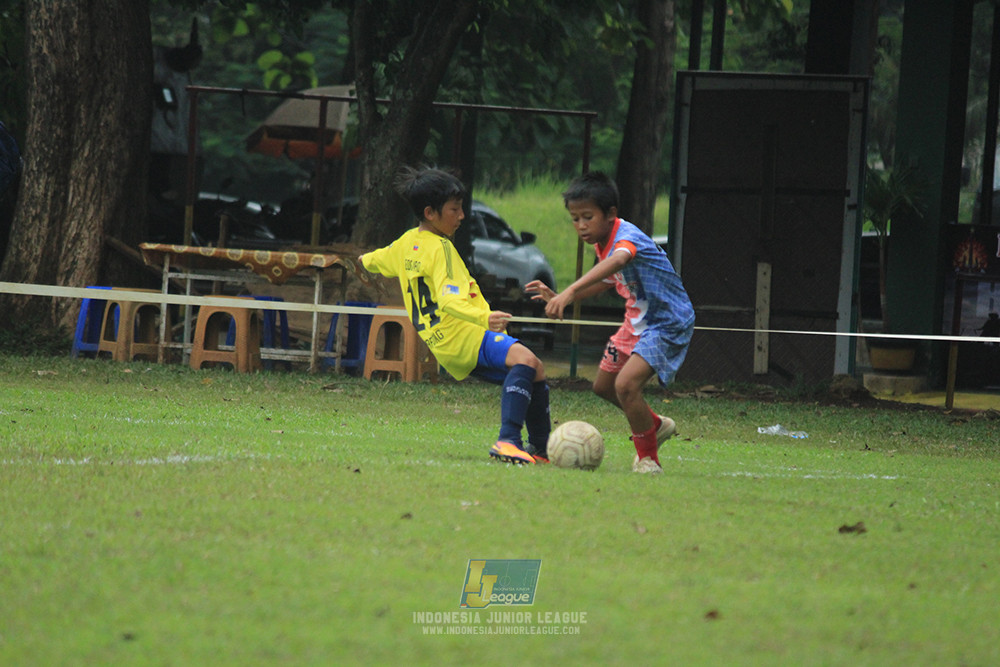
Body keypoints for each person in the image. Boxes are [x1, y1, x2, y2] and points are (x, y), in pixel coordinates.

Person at [359, 166, 551, 464]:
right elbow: (449, 301)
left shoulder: (406, 244)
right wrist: (483, 319)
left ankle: (541, 449)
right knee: (526, 361)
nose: (462, 216)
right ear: (431, 212)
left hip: (443, 344)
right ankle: (508, 441)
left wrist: (360, 261)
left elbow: (375, 260)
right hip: (464, 333)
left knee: (533, 369)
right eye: (455, 209)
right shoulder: (442, 249)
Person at [525, 172, 695, 474]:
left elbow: (618, 262)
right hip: (637, 321)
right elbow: (606, 280)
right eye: (575, 219)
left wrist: (570, 291)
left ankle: (648, 459)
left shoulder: (626, 237)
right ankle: (654, 425)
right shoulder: (601, 243)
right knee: (604, 386)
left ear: (611, 214)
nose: (581, 225)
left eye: (587, 217)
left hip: (666, 321)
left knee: (626, 385)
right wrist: (561, 295)